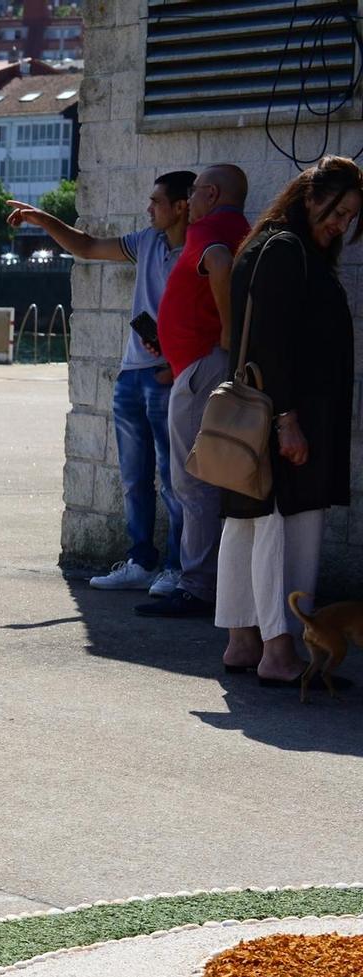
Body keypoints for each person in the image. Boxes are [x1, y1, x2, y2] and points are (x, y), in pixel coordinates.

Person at [213, 156, 361, 685]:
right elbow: (268, 343)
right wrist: (288, 420)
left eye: (350, 218)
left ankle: (243, 641)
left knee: (250, 527)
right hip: (281, 420)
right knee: (281, 529)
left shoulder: (271, 245)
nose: (341, 225)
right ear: (310, 195)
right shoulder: (285, 250)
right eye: (338, 210)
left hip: (266, 417)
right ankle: (277, 652)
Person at [10, 173, 192, 595]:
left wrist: (176, 362)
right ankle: (140, 561)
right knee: (133, 476)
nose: (149, 209)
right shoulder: (146, 241)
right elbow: (87, 246)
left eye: (157, 202)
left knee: (174, 477)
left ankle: (178, 567)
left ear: (182, 206)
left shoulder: (200, 250)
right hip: (131, 374)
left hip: (171, 375)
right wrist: (44, 220)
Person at [142, 162, 251, 619]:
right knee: (204, 476)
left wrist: (225, 335)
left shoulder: (211, 228)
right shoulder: (239, 225)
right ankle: (206, 581)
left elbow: (220, 264)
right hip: (198, 364)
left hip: (204, 365)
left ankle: (197, 585)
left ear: (208, 192)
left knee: (192, 477)